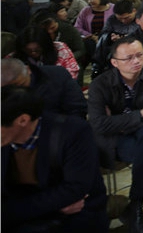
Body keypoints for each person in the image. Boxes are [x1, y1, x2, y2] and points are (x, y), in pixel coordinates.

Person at [1, 86, 108, 232]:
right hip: (30, 212)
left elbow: (74, 190)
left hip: (70, 217)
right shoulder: (6, 140)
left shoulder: (72, 132)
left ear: (23, 120)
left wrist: (11, 211)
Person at [88, 36, 143, 233]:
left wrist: (118, 121)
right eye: (128, 58)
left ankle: (136, 204)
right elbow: (99, 124)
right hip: (116, 141)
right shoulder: (100, 84)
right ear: (114, 62)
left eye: (140, 55)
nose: (136, 61)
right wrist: (141, 113)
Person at [0, 57, 87, 118]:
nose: (15, 91)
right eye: (7, 89)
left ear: (28, 70)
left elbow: (77, 109)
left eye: (21, 85)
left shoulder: (57, 76)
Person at [15, 24, 80, 80]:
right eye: (28, 50)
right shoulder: (14, 59)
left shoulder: (60, 49)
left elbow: (71, 74)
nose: (33, 53)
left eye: (37, 50)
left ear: (45, 45)